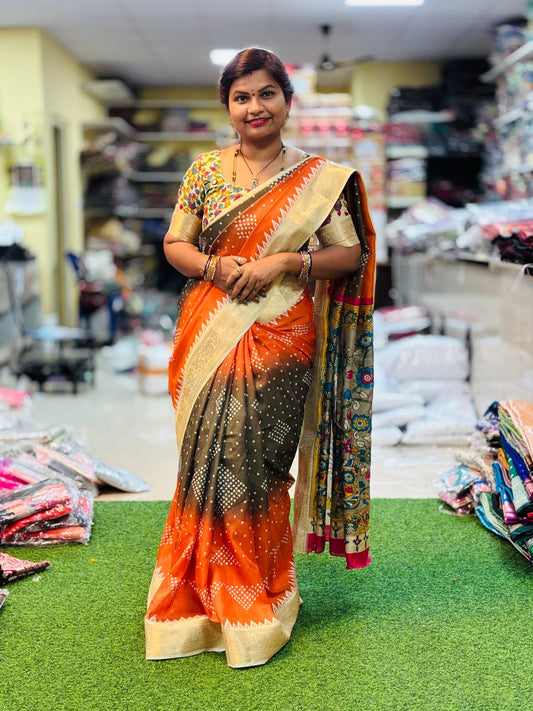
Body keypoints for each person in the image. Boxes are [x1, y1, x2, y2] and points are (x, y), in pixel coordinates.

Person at [145, 47, 376, 669]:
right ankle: (199, 598)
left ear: (287, 102)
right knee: (204, 460)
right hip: (209, 329)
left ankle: (260, 592)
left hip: (281, 335)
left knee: (260, 462)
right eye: (242, 97)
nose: (255, 107)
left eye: (266, 93)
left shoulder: (319, 178)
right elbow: (175, 243)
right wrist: (214, 267)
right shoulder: (204, 170)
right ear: (228, 107)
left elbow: (349, 255)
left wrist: (284, 261)